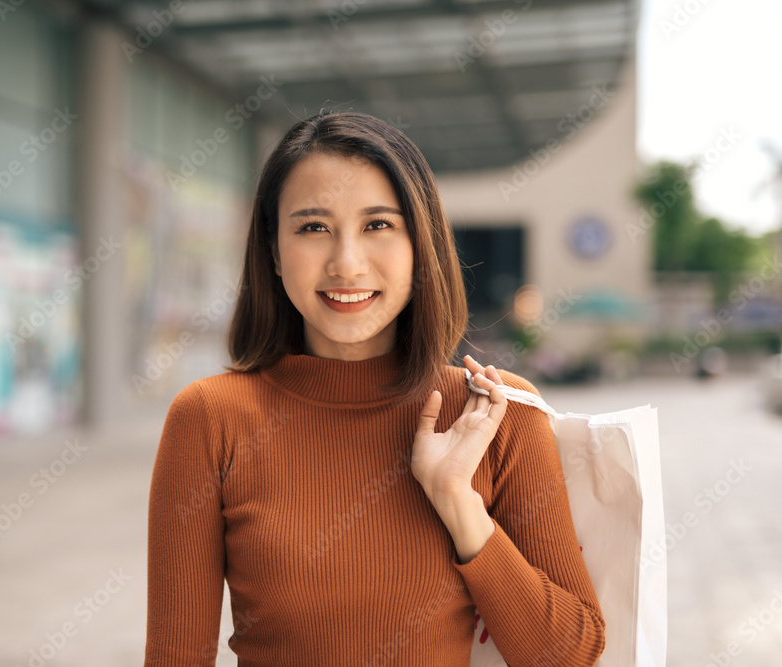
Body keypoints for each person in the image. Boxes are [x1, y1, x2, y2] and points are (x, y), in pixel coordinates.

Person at [145, 111, 605, 666]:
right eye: (313, 227)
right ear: (272, 250)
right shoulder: (210, 418)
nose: (346, 263)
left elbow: (569, 655)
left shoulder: (493, 413)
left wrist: (458, 502)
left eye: (378, 225)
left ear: (421, 242)